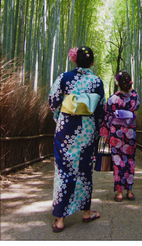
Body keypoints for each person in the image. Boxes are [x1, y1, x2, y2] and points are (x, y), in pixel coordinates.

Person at [48, 46, 105, 233]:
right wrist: (96, 131)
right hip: (87, 130)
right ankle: (86, 212)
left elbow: (53, 101)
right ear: (92, 62)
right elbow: (100, 111)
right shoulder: (96, 81)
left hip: (66, 129)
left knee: (63, 170)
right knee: (84, 170)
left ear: (74, 60)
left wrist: (60, 115)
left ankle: (60, 219)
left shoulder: (63, 78)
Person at [100, 71, 140, 202]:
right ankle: (130, 191)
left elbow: (107, 116)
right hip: (130, 131)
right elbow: (137, 106)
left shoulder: (113, 98)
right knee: (130, 160)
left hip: (116, 131)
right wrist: (131, 90)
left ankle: (119, 194)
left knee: (117, 161)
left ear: (117, 84)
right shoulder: (134, 97)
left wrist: (106, 134)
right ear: (130, 83)